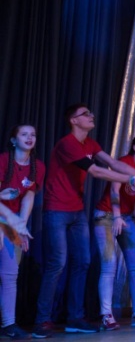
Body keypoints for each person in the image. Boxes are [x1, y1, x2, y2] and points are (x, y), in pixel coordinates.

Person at [33, 104, 135, 340]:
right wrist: (133, 179)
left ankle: (75, 319)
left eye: (91, 112)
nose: (91, 115)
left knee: (83, 262)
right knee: (57, 263)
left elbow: (114, 164)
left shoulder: (90, 144)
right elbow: (97, 172)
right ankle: (41, 320)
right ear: (73, 120)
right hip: (57, 209)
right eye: (85, 114)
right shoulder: (67, 144)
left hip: (77, 210)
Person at [94, 133, 135, 330]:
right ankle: (106, 315)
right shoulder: (124, 163)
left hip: (128, 218)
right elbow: (114, 191)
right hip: (106, 216)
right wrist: (117, 217)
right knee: (109, 264)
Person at [0, 125, 44, 339]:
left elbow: (29, 196)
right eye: (24, 134)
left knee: (10, 274)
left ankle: (8, 324)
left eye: (33, 134)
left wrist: (22, 226)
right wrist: (12, 220)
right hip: (4, 217)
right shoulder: (3, 161)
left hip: (12, 221)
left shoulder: (37, 166)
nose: (29, 137)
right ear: (13, 140)